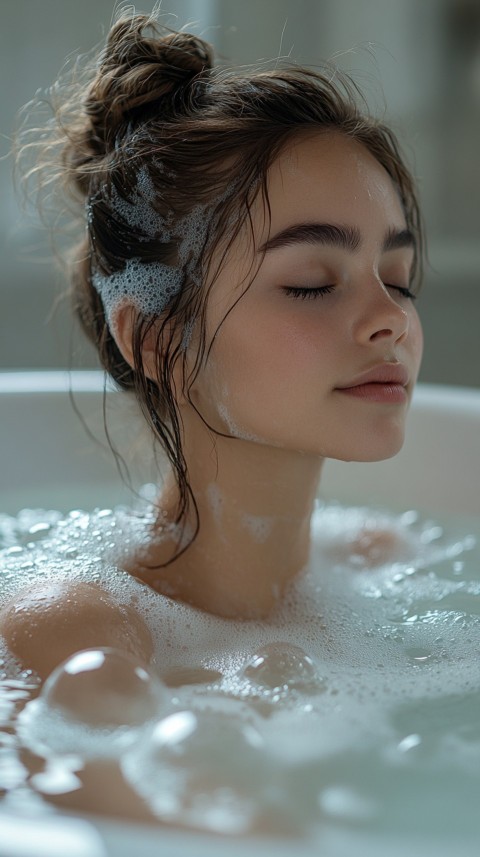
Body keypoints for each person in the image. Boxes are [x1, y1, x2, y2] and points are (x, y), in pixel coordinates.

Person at [1, 11, 423, 680]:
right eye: (312, 283)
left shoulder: (384, 560)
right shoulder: (79, 634)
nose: (390, 318)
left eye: (398, 280)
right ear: (155, 338)